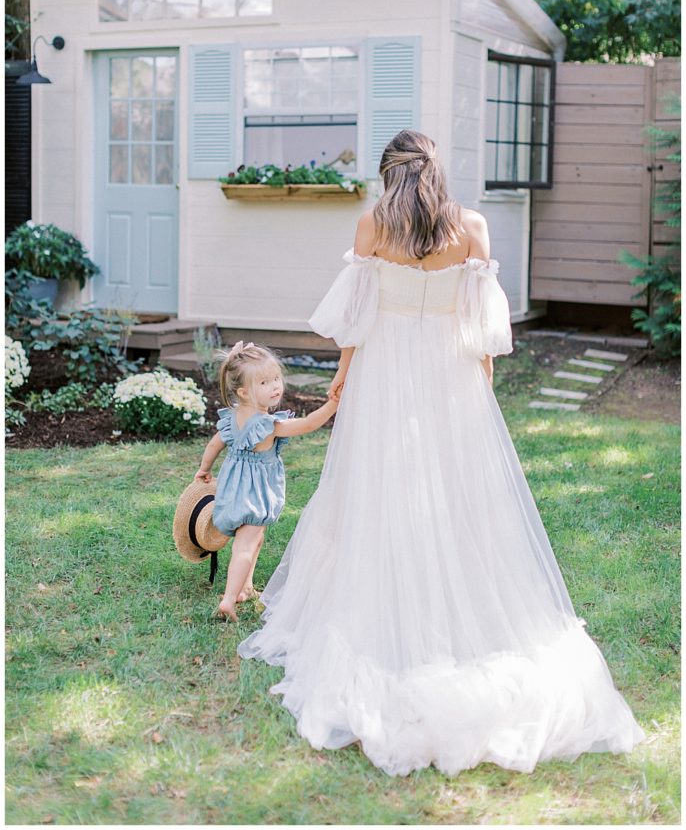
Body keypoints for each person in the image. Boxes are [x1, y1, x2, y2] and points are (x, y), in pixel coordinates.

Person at [237, 129, 647, 777]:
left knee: (379, 486)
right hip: (450, 373)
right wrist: (479, 384)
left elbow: (360, 313)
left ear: (386, 174)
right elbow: (483, 327)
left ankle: (394, 591)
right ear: (436, 171)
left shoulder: (373, 225)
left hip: (385, 370)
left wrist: (344, 374)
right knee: (457, 493)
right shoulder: (473, 226)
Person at [194, 340, 339, 622]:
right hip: (255, 495)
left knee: (255, 539)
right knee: (245, 546)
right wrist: (333, 404)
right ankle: (228, 599)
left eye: (276, 378)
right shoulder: (268, 426)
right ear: (243, 391)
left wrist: (204, 469)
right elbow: (308, 424)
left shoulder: (232, 419)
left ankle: (245, 587)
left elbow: (214, 444)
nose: (275, 386)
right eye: (264, 382)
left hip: (233, 491)